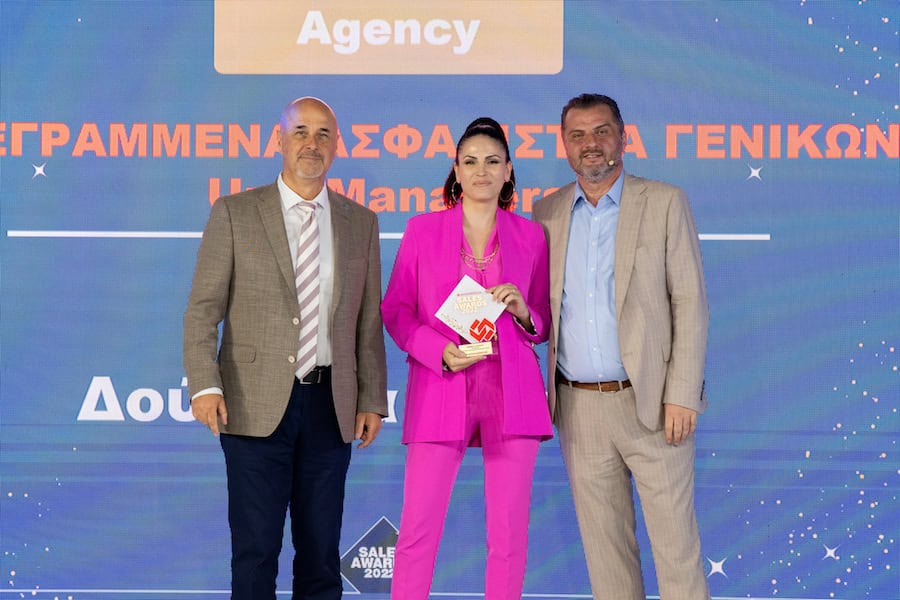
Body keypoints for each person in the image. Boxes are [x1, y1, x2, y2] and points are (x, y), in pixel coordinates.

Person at [183, 96, 388, 600]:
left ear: (336, 146)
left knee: (321, 557)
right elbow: (203, 310)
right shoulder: (235, 212)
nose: (311, 143)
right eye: (300, 131)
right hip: (251, 404)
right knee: (255, 554)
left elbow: (367, 321)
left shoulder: (361, 222)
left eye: (323, 134)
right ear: (279, 140)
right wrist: (205, 384)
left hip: (330, 407)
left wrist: (370, 398)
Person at [533, 93, 710, 599]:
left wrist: (682, 394)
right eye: (577, 135)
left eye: (601, 131)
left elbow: (690, 302)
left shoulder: (664, 202)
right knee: (605, 556)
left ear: (623, 138)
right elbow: (540, 311)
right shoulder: (546, 212)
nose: (590, 143)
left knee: (675, 550)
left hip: (652, 403)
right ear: (565, 144)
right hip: (578, 408)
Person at [381, 117, 552, 600]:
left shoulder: (531, 236)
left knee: (509, 537)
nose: (481, 171)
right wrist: (436, 350)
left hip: (511, 390)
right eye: (471, 161)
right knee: (417, 531)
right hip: (441, 384)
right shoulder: (422, 230)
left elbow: (543, 321)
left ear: (508, 171)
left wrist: (523, 311)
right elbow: (396, 311)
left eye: (492, 161)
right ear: (455, 170)